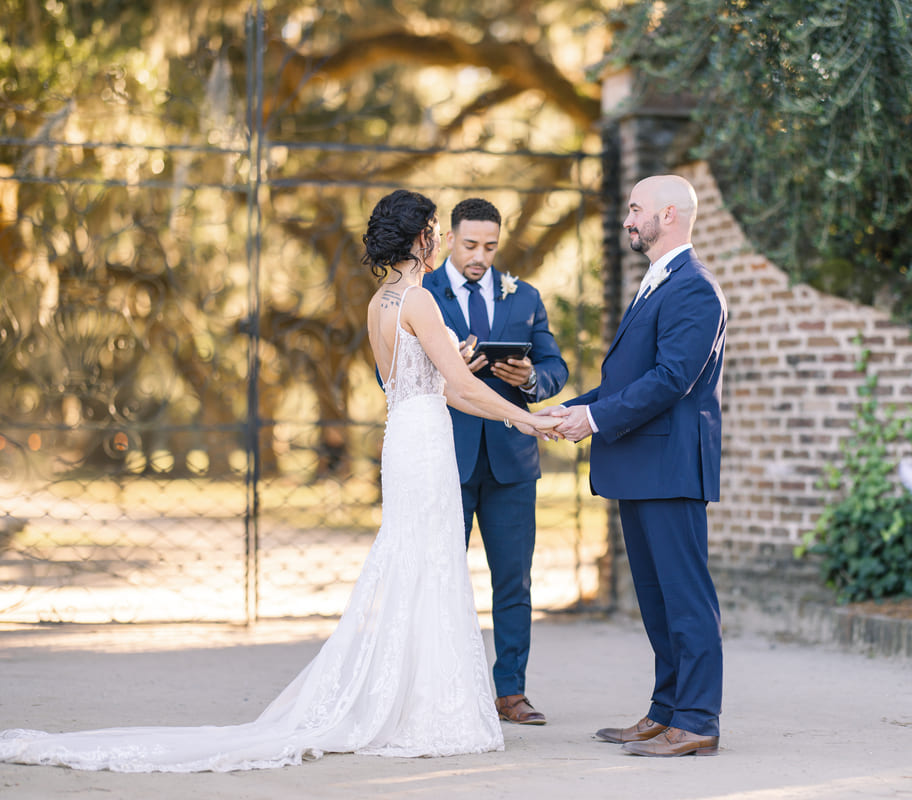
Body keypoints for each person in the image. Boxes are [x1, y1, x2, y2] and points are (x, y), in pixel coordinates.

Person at [0, 189, 562, 773]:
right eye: (438, 229)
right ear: (420, 237)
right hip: (423, 444)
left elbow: (433, 385)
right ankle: (424, 707)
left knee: (417, 562)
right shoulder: (419, 299)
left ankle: (406, 698)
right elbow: (462, 388)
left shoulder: (380, 302)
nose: (443, 237)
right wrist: (528, 418)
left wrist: (478, 385)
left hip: (408, 438)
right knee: (430, 564)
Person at [541, 175, 727, 757]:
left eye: (634, 209)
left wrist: (593, 422)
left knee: (685, 598)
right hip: (642, 465)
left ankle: (696, 720)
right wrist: (569, 409)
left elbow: (672, 380)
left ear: (668, 215)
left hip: (670, 466)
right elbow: (626, 381)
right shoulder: (656, 284)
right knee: (655, 597)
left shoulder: (694, 288)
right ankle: (665, 710)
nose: (627, 219)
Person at [422, 198, 568, 726]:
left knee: (514, 580)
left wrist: (530, 379)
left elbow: (555, 365)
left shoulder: (523, 295)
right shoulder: (422, 295)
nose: (480, 256)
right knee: (441, 578)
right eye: (469, 246)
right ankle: (442, 690)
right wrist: (447, 368)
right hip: (447, 458)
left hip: (512, 460)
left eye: (489, 246)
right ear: (449, 240)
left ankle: (511, 691)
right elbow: (390, 373)